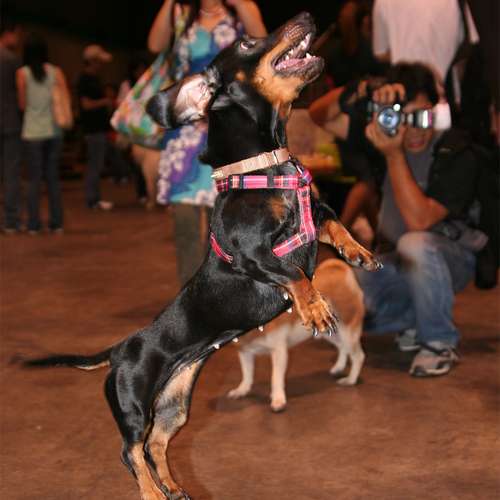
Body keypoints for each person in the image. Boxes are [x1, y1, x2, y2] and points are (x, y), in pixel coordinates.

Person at [353, 63, 485, 377]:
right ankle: (416, 319)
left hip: (450, 258)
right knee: (340, 295)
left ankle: (439, 342)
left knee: (416, 244)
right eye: (405, 118)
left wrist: (394, 155)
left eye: (422, 117)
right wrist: (369, 92)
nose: (414, 130)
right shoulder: (381, 139)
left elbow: (420, 221)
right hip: (396, 263)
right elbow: (323, 115)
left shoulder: (455, 150)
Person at [148, 0, 266, 286]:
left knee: (222, 223)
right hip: (186, 131)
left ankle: (217, 290)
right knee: (184, 221)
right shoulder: (182, 16)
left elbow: (263, 46)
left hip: (227, 129)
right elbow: (155, 45)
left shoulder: (240, 10)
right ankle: (190, 293)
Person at [15, 33, 67, 234]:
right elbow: (64, 99)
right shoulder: (56, 72)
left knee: (34, 180)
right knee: (53, 178)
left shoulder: (22, 74)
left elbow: (22, 104)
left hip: (32, 132)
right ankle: (57, 223)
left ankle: (33, 225)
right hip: (54, 131)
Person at [76, 44, 115, 210]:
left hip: (99, 128)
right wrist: (104, 102)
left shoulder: (95, 79)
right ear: (92, 61)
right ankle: (92, 199)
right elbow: (85, 104)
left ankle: (95, 198)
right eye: (98, 61)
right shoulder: (84, 80)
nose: (101, 65)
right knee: (95, 164)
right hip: (92, 129)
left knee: (97, 164)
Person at [0, 17, 23, 233]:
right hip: (10, 122)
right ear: (9, 32)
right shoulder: (12, 60)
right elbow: (21, 94)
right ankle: (11, 220)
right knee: (11, 172)